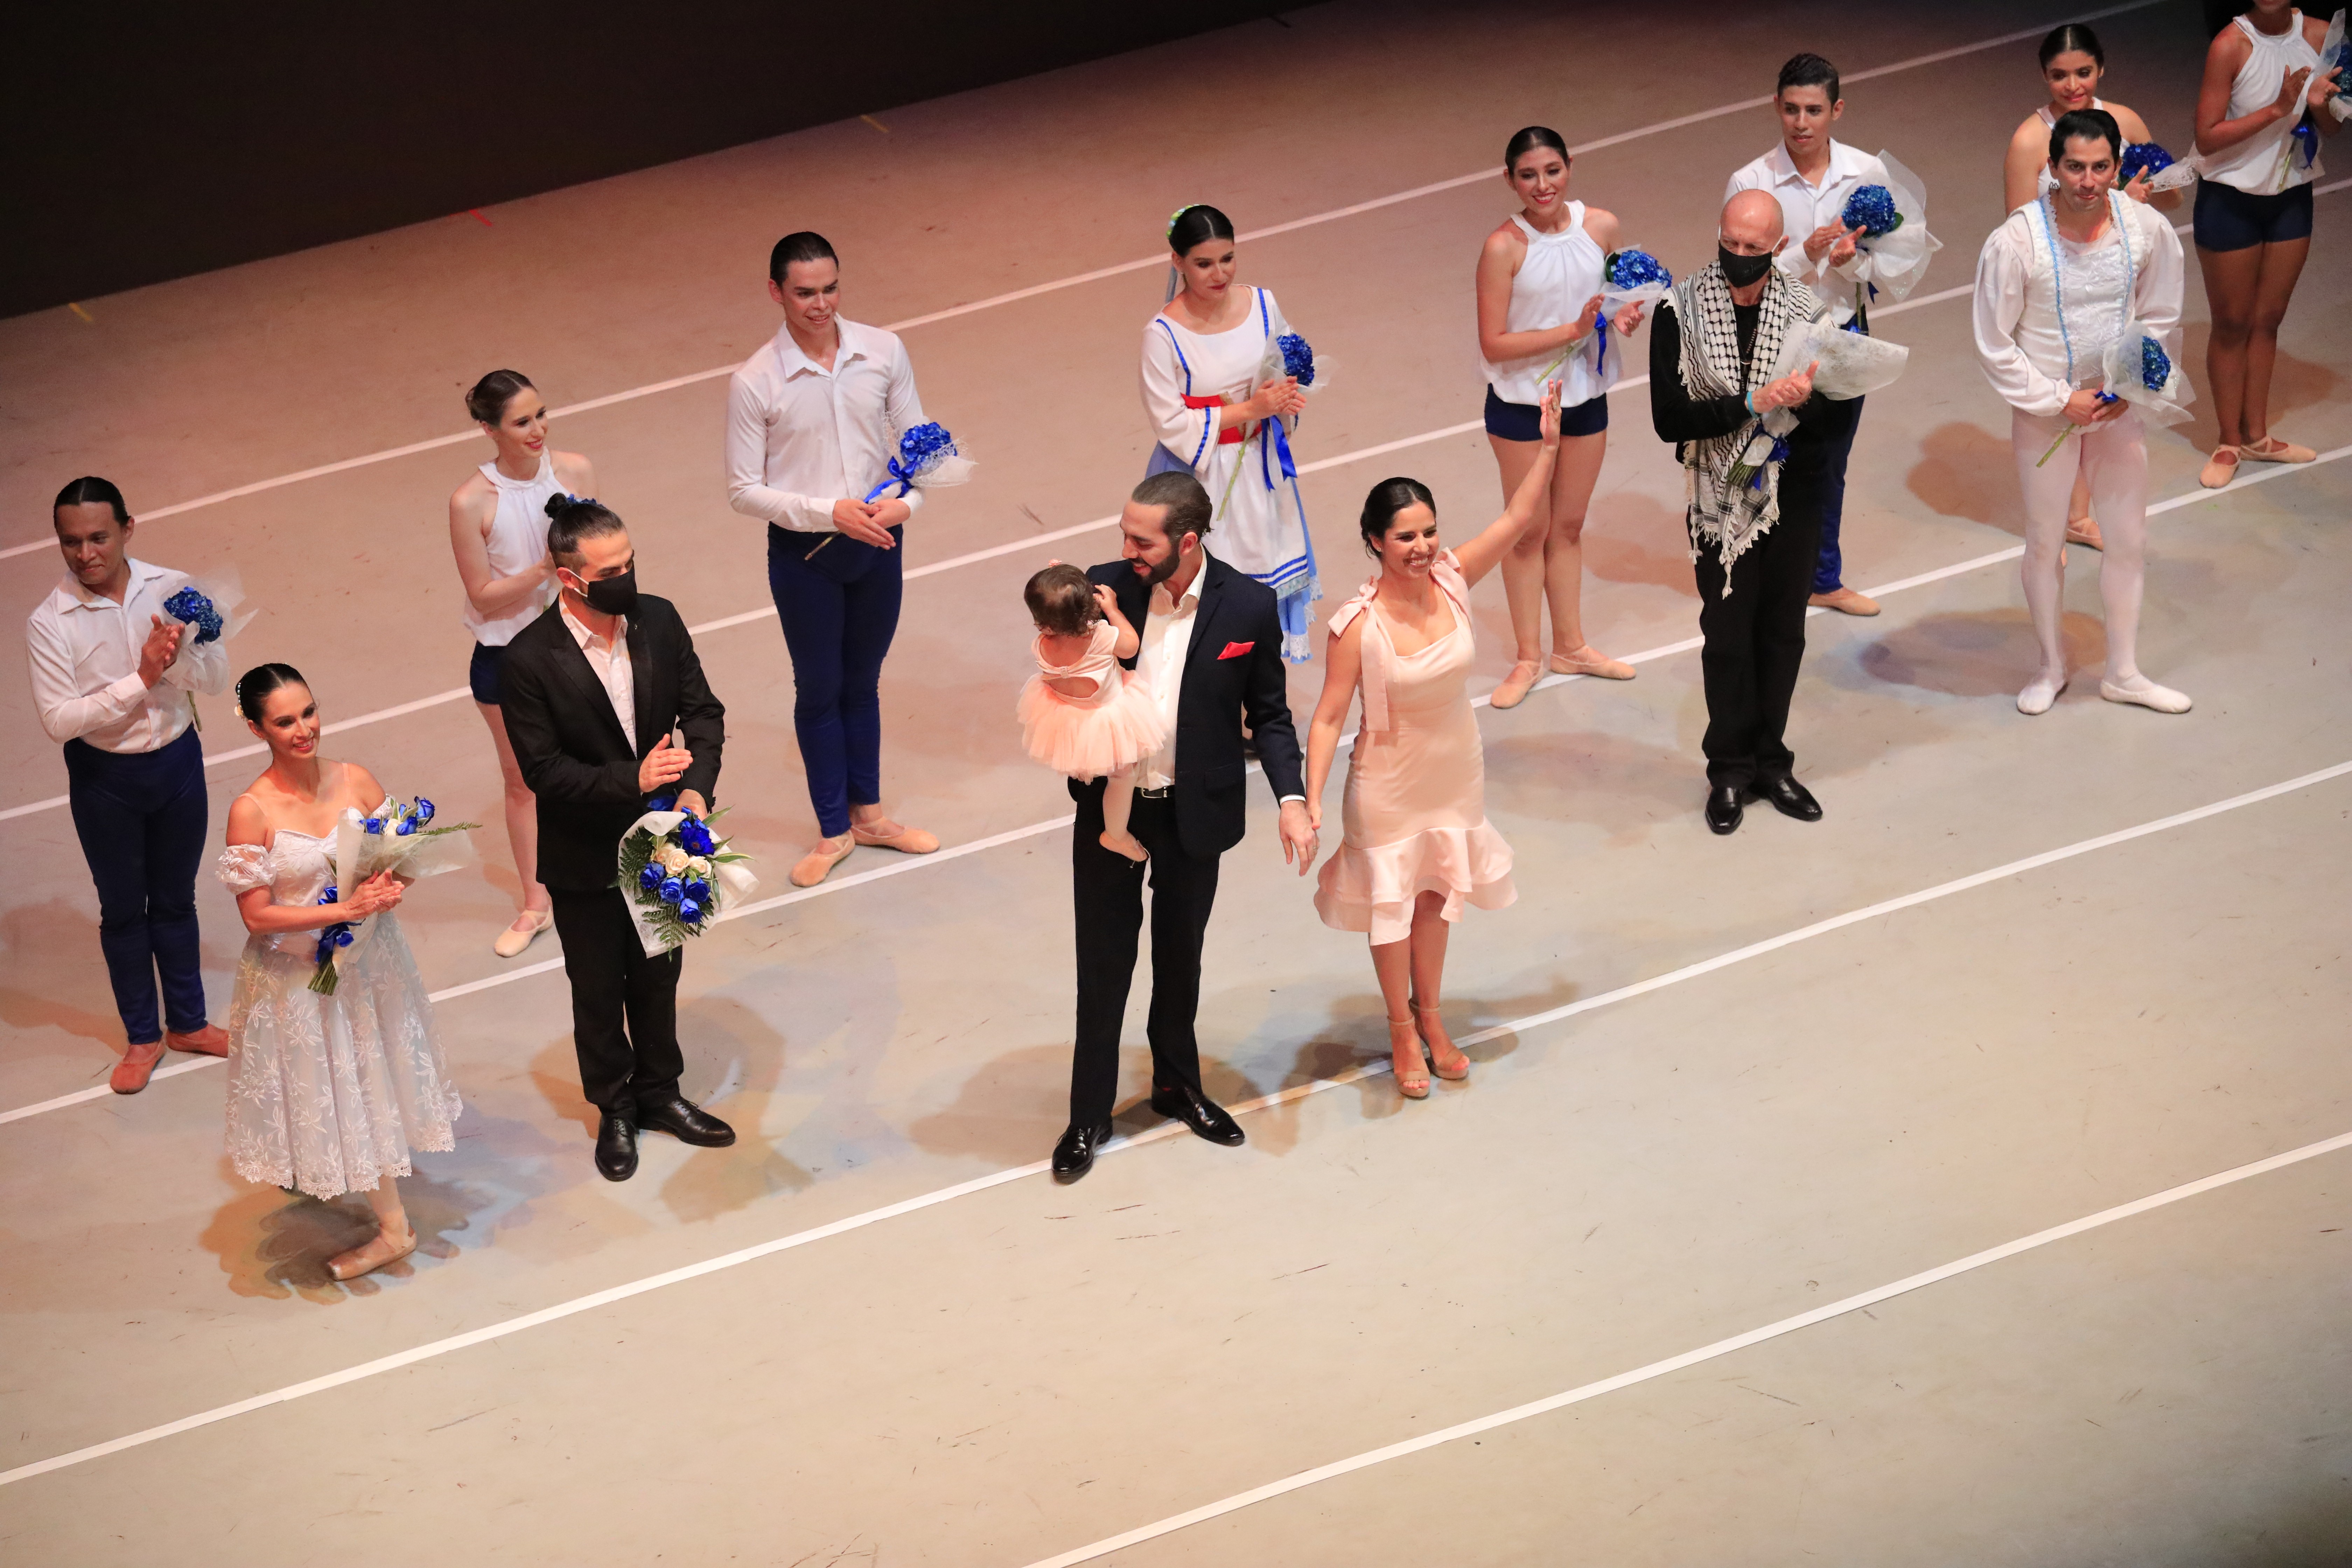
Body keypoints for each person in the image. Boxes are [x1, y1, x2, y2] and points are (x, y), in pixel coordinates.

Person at [1052, 470, 1318, 1180]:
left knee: (1180, 958)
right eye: (1125, 535)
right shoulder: (1104, 589)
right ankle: (1088, 1113)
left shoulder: (1249, 606)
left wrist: (1292, 799)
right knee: (1102, 965)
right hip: (1112, 807)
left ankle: (1176, 1086)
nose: (1127, 550)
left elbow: (1271, 715)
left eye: (1142, 541)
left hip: (1194, 811)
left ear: (1189, 541)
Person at [1305, 383, 1565, 1099]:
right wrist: (1312, 800)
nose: (1422, 547)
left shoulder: (1453, 577)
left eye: (1428, 532)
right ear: (1375, 542)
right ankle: (1400, 1028)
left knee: (1437, 894)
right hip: (1387, 782)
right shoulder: (1357, 625)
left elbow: (1518, 517)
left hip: (1455, 769)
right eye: (1405, 537)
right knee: (1392, 905)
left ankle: (1433, 1018)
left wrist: (1547, 449)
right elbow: (1327, 718)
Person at [497, 495, 736, 1181]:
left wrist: (695, 791)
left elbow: (704, 714)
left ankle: (662, 1093)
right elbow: (544, 771)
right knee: (599, 992)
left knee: (659, 977)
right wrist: (634, 778)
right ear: (569, 578)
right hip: (584, 856)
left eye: (629, 563)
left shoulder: (659, 620)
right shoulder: (528, 660)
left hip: (665, 841)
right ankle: (616, 1108)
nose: (626, 578)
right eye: (610, 571)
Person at [216, 664, 459, 1281]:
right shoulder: (251, 811)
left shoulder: (356, 779)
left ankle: (395, 1230)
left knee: (363, 1083)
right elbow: (258, 916)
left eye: (309, 712)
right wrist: (343, 911)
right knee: (332, 1086)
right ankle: (356, 1189)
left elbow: (403, 860)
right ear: (257, 729)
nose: (304, 730)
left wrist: (389, 887)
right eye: (285, 721)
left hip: (369, 964)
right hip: (300, 977)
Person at [725, 231, 940, 889]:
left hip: (879, 543)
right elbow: (743, 490)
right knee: (818, 689)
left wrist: (908, 506)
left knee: (863, 682)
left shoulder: (884, 351)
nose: (821, 305)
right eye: (804, 293)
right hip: (807, 558)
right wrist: (830, 512)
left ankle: (869, 817)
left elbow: (921, 447)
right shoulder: (756, 381)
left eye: (830, 289)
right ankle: (832, 831)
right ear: (775, 293)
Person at [1975, 109, 2192, 719]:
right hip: (2048, 413)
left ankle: (2123, 673)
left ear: (2117, 167)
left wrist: (2130, 382)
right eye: (2075, 167)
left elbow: (2161, 313)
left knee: (2128, 539)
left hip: (2117, 411)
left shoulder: (2145, 227)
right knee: (2046, 541)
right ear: (2053, 166)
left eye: (2100, 168)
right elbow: (1995, 343)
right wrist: (2056, 400)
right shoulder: (2017, 242)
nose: (2088, 181)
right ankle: (2051, 666)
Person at [26, 477, 231, 1094]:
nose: (85, 554)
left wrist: (190, 655)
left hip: (177, 766)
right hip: (105, 781)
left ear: (127, 529)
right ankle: (143, 1036)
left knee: (176, 900)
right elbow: (58, 720)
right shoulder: (50, 622)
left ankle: (189, 1024)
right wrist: (142, 678)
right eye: (71, 542)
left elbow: (215, 681)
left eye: (99, 538)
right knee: (122, 911)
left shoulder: (174, 589)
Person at [1649, 191, 1834, 836]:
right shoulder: (1679, 310)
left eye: (1755, 248)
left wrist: (1804, 402)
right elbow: (1669, 419)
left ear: (1779, 247)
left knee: (1783, 633)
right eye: (1731, 243)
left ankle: (1771, 763)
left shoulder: (1809, 312)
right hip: (1717, 498)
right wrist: (1753, 402)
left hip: (1791, 496)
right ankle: (1729, 769)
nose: (1740, 256)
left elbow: (1832, 420)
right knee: (1728, 635)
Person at [1474, 127, 1645, 707]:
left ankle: (1570, 646)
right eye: (1528, 175)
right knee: (1528, 533)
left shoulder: (1601, 227)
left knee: (1568, 527)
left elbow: (1618, 297)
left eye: (1552, 171)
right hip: (1522, 406)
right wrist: (1572, 330)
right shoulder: (1503, 247)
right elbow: (1494, 343)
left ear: (1570, 166)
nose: (1542, 185)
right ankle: (1528, 657)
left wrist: (1623, 317)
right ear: (1510, 180)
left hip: (1586, 397)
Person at [2002, 23, 2188, 552]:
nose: (2073, 85)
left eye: (2083, 72)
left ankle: (2079, 516)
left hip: (2114, 276)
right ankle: (2055, 522)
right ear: (2044, 76)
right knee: (2065, 403)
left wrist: (2132, 203)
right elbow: (2018, 226)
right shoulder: (2029, 140)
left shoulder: (2125, 122)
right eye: (2059, 75)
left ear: (2101, 68)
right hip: (2058, 287)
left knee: (2105, 397)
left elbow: (2171, 196)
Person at [1725, 52, 1884, 620]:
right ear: (1776, 106)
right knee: (1765, 460)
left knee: (1830, 465)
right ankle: (1755, 576)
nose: (1801, 123)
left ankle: (1823, 579)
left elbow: (1892, 264)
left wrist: (1850, 263)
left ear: (1836, 110)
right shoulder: (1751, 182)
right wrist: (1807, 255)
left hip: (1844, 339)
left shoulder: (1866, 172)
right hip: (1773, 343)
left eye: (1814, 110)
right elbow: (1738, 274)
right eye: (1791, 109)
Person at [447, 369, 591, 959]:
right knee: (523, 781)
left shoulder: (575, 472)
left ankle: (602, 874)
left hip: (577, 646)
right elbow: (483, 596)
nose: (538, 430)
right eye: (521, 422)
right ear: (489, 429)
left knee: (595, 763)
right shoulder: (471, 502)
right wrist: (544, 569)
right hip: (507, 656)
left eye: (541, 415)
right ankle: (536, 903)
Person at [1140, 204, 1320, 663]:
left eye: (1228, 259)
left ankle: (1260, 693)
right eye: (1204, 263)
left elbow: (1287, 362)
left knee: (1265, 597)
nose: (1219, 274)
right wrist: (1250, 409)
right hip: (1201, 479)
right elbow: (1169, 421)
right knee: (1212, 600)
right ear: (1178, 261)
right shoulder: (1163, 334)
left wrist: (1284, 399)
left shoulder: (1263, 304)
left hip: (1260, 466)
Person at [2190, 1, 2340, 488]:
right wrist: (2277, 109)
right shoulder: (2230, 45)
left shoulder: (2322, 34)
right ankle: (2228, 441)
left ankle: (2256, 436)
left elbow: (2333, 125)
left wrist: (2318, 105)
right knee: (2232, 323)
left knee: (2268, 319)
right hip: (2230, 199)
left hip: (2290, 196)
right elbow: (2207, 138)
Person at [1016, 564, 1166, 864]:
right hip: (1106, 717)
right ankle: (1115, 834)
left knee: (1092, 760)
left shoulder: (1042, 645)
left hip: (1067, 716)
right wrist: (1113, 610)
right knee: (1122, 775)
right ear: (1089, 611)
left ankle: (1089, 775)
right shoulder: (1100, 637)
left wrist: (1058, 582)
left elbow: (1059, 609)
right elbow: (1130, 646)